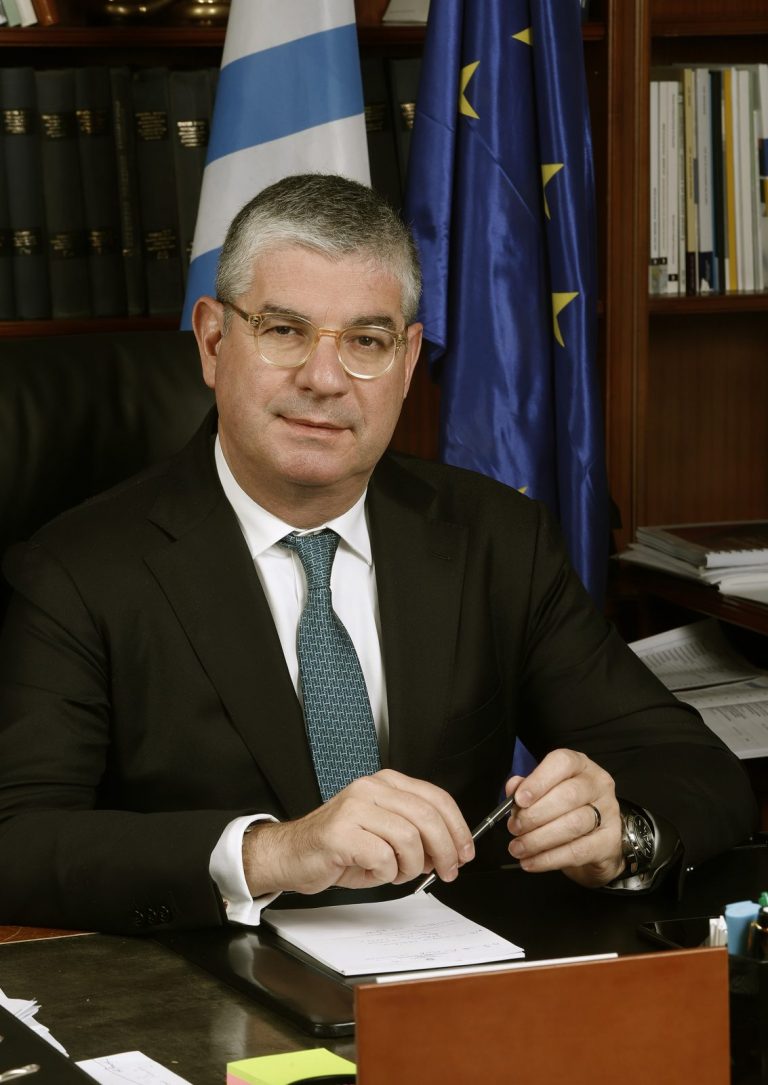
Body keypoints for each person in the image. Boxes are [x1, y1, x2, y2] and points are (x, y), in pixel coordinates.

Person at [0, 174, 757, 935]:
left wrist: (617, 834)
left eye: (366, 341)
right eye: (284, 330)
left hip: (455, 977)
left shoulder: (496, 538)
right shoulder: (78, 569)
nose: (324, 380)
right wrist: (272, 852)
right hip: (208, 979)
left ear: (407, 360)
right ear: (213, 341)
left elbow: (695, 768)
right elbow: (18, 842)